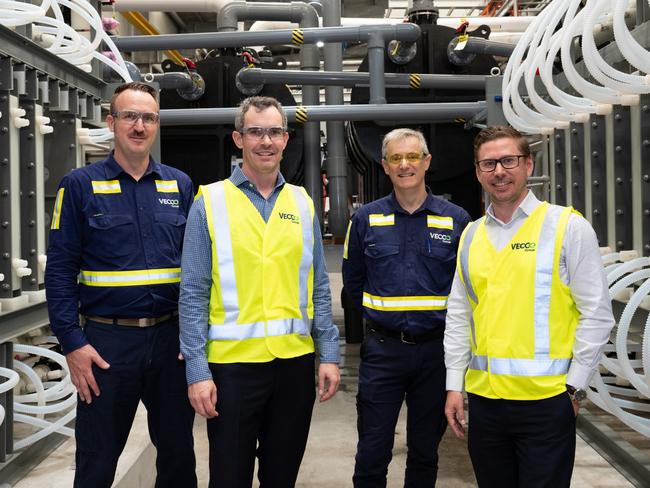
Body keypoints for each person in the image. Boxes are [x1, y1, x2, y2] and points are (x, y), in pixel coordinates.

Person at [179, 95, 341, 488]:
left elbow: (319, 286)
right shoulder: (210, 201)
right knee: (229, 477)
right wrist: (197, 371)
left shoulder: (303, 203)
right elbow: (193, 292)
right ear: (239, 138)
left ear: (286, 139)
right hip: (232, 370)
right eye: (255, 132)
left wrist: (330, 354)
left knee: (281, 476)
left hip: (293, 365)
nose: (265, 141)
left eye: (274, 131)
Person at [444, 125, 615, 487]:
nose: (499, 172)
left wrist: (576, 386)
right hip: (486, 403)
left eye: (509, 160)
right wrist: (454, 385)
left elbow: (597, 314)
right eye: (488, 164)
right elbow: (460, 316)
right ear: (477, 172)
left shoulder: (567, 227)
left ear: (529, 165)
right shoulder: (471, 235)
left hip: (547, 402)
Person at [44, 82, 197, 487]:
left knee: (180, 459)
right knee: (96, 462)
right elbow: (59, 271)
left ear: (157, 125)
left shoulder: (179, 185)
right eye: (130, 116)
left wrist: (194, 337)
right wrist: (73, 344)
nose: (139, 125)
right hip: (107, 347)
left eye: (148, 117)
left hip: (170, 342)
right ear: (111, 122)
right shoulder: (78, 186)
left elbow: (198, 269)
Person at [343, 128, 471, 487]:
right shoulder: (366, 219)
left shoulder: (456, 220)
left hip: (436, 353)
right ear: (384, 166)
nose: (405, 165)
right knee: (372, 451)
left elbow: (467, 289)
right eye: (396, 158)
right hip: (383, 352)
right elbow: (353, 284)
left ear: (426, 162)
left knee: (425, 453)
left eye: (412, 157)